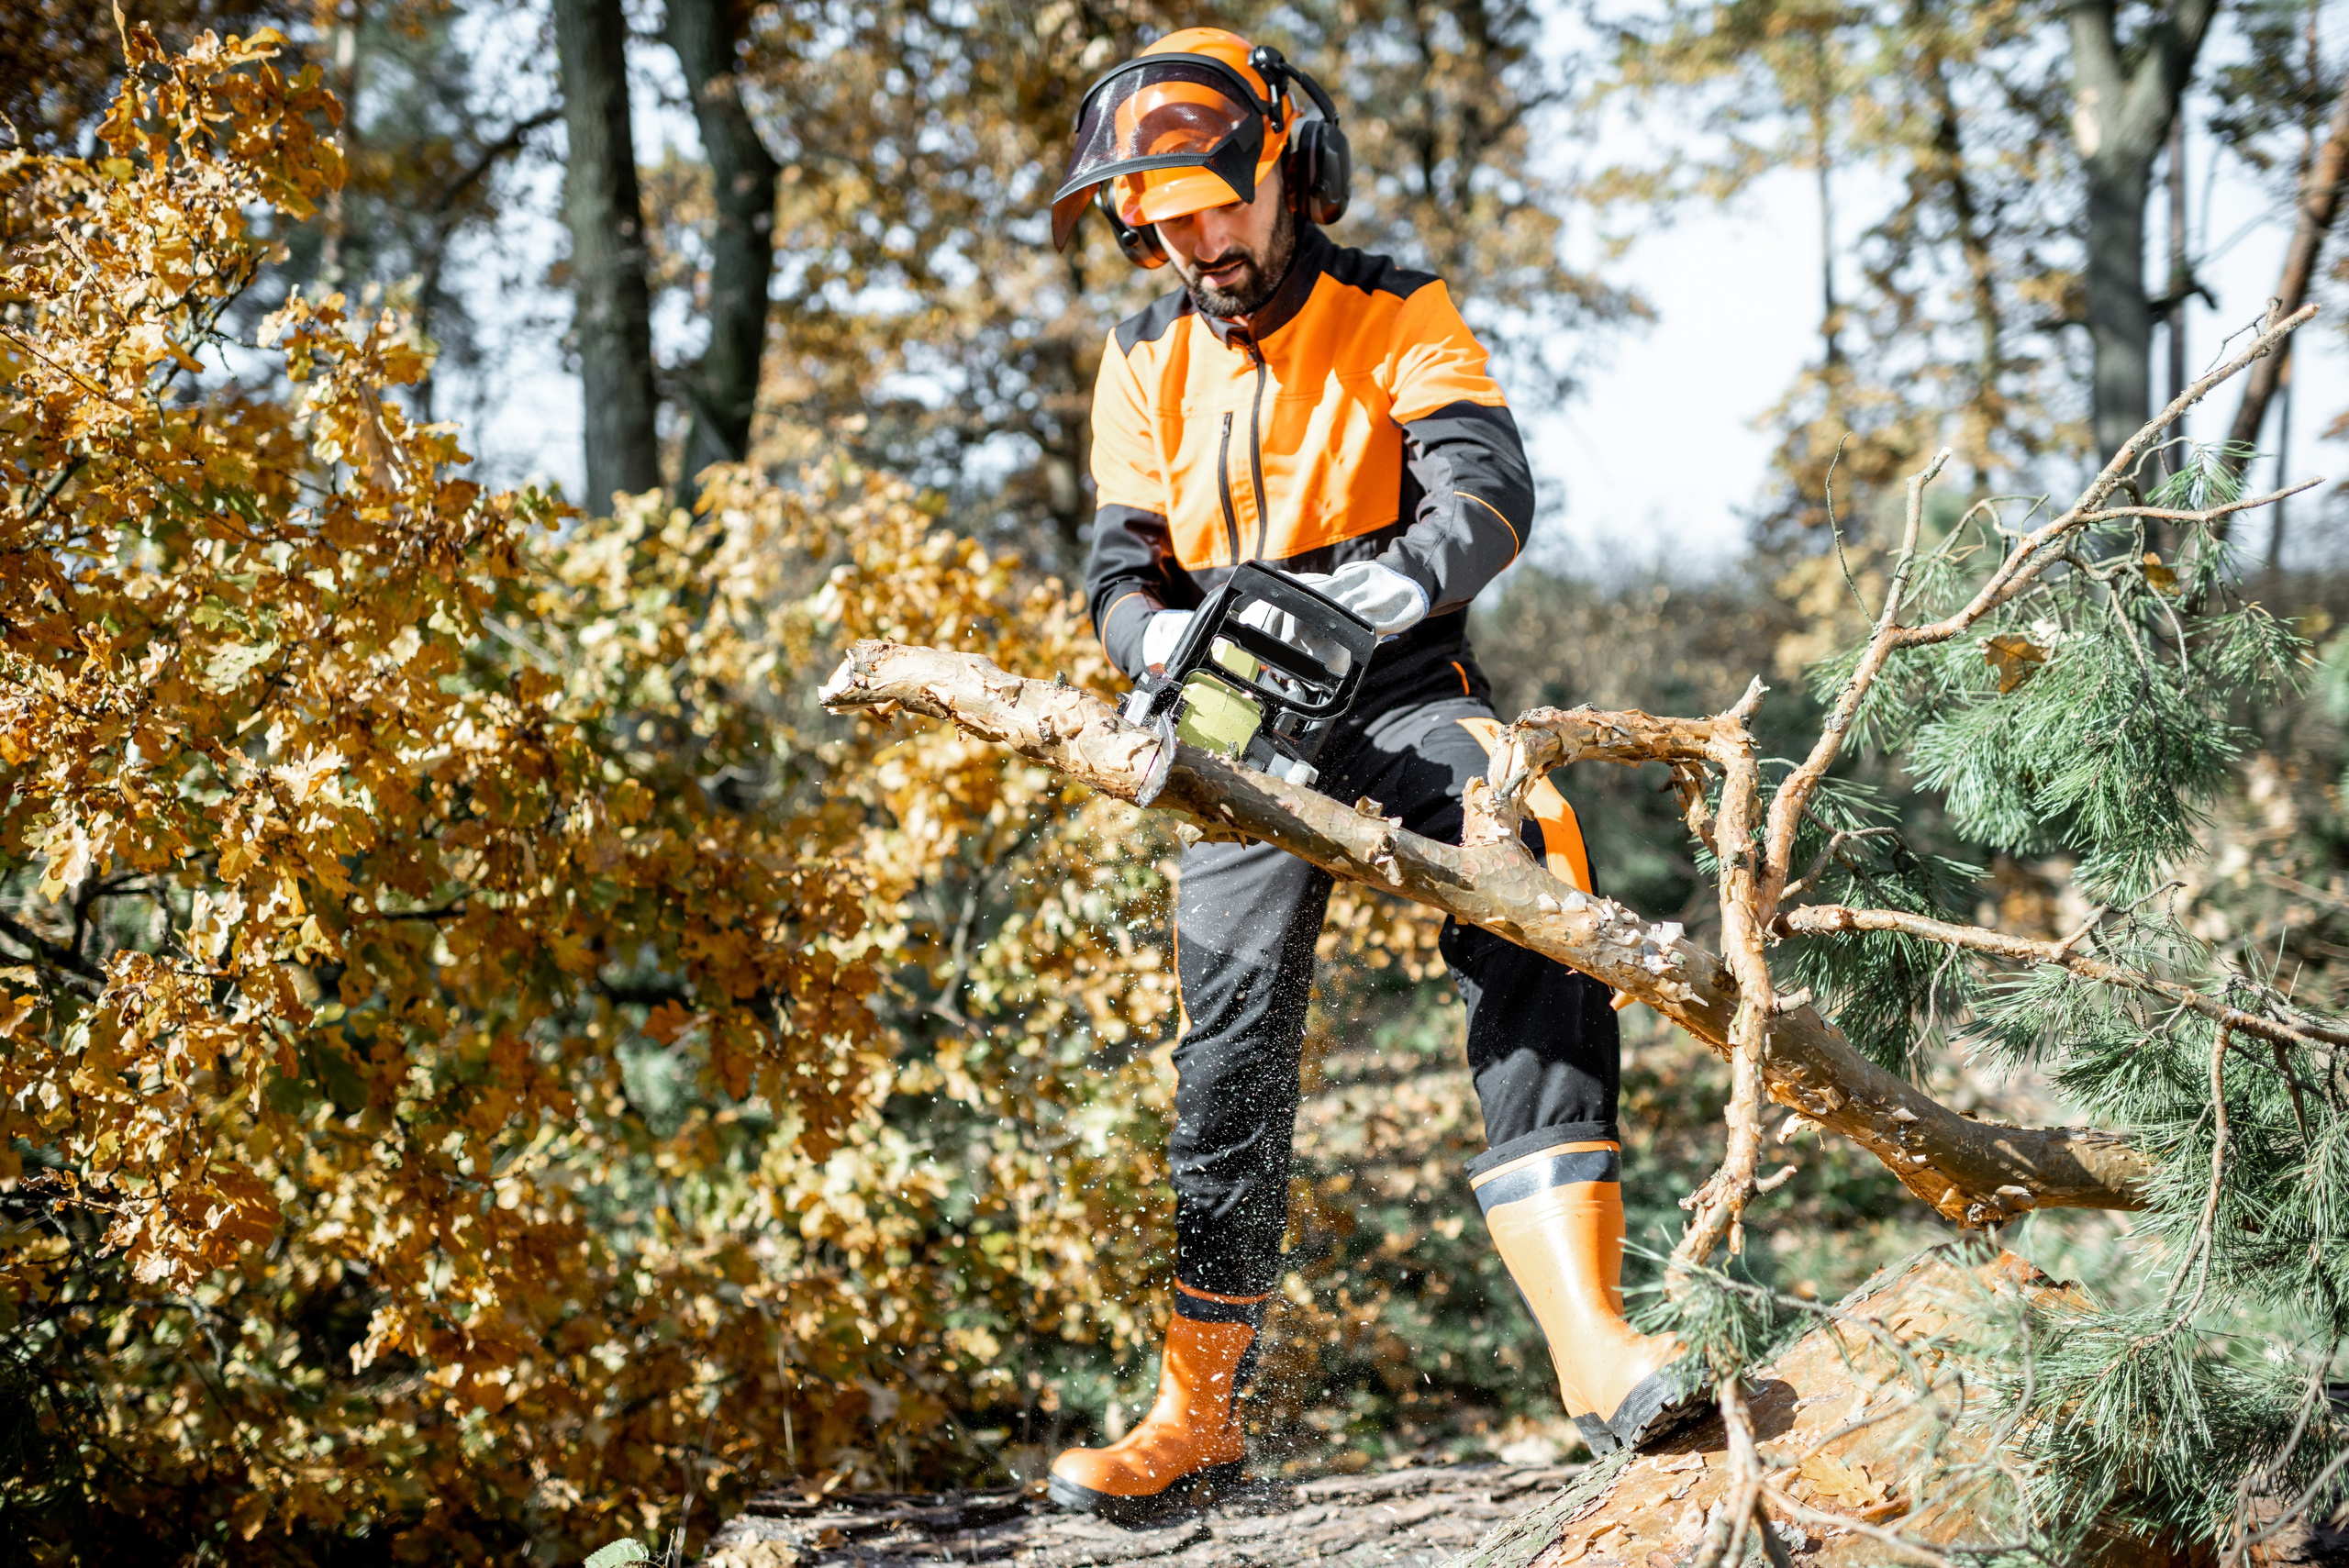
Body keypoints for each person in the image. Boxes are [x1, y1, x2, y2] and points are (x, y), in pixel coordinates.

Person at [1042, 28, 1702, 1524]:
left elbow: (1488, 490)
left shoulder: (1395, 305)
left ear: (1290, 170)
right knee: (1229, 1033)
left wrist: (1382, 594)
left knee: (1530, 848)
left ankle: (1590, 1345)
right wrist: (1157, 646)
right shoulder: (1142, 357)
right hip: (1235, 723)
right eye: (1160, 217)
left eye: (1214, 202)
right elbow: (1115, 566)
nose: (1192, 240)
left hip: (1400, 686)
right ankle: (1196, 1407)